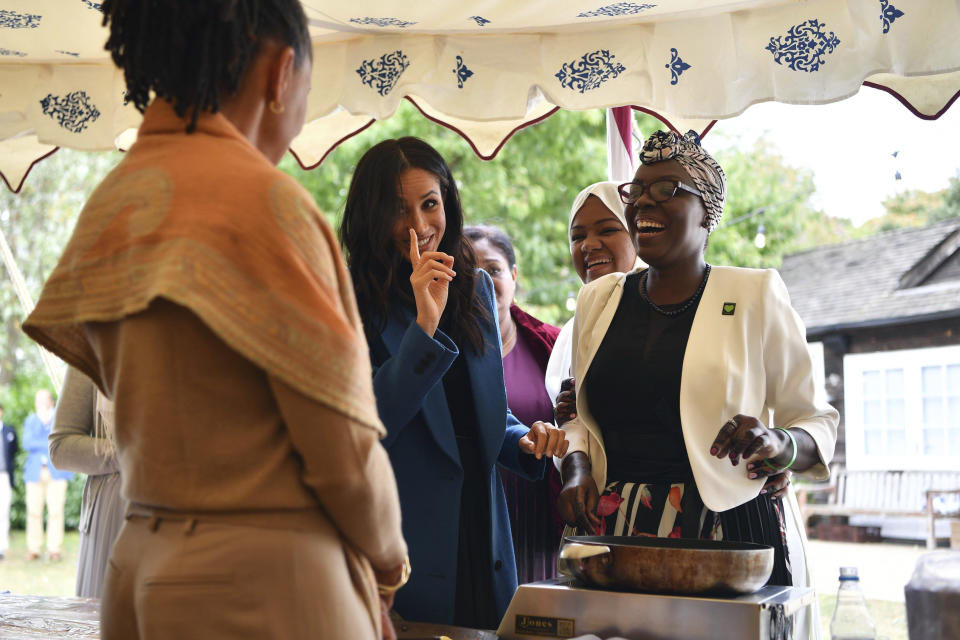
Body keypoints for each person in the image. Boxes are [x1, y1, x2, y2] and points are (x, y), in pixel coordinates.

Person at [23, 2, 407, 639]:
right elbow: (343, 455)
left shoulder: (114, 202)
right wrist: (388, 566)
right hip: (265, 583)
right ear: (283, 74)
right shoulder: (269, 206)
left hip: (140, 565)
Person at [556, 130, 837, 640]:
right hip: (616, 531)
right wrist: (576, 468)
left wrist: (780, 443)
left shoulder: (754, 292)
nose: (644, 201)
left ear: (707, 211)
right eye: (636, 191)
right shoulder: (598, 300)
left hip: (727, 533)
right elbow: (578, 417)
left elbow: (816, 422)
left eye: (667, 189)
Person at [340, 137, 568, 629]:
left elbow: (479, 412)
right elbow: (366, 424)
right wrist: (424, 326)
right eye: (398, 210)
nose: (419, 227)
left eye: (430, 205)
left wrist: (522, 439)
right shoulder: (347, 297)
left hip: (484, 532)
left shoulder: (475, 288)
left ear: (449, 203)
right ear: (370, 213)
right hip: (404, 539)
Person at [464, 224, 563, 584]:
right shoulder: (447, 353)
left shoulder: (552, 346)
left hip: (543, 523)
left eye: (493, 269)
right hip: (478, 529)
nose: (483, 282)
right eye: (470, 273)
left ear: (514, 275)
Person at [544, 181, 644, 406]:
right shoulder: (572, 331)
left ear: (638, 234)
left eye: (608, 230)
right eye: (577, 237)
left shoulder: (664, 312)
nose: (588, 245)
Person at [49, 366, 126, 597]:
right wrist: (127, 454)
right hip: (114, 511)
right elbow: (60, 448)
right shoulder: (93, 347)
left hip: (191, 506)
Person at [23, 388, 72, 561]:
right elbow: (27, 443)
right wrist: (48, 442)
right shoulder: (31, 420)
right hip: (35, 472)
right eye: (37, 401)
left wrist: (43, 442)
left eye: (43, 401)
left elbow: (61, 443)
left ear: (51, 402)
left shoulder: (60, 420)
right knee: (34, 511)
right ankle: (34, 548)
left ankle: (54, 549)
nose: (39, 405)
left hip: (57, 473)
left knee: (56, 511)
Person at [0, 403, 18, 561]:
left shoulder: (9, 431)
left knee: (3, 511)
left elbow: (14, 451)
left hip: (4, 476)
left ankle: (1, 548)